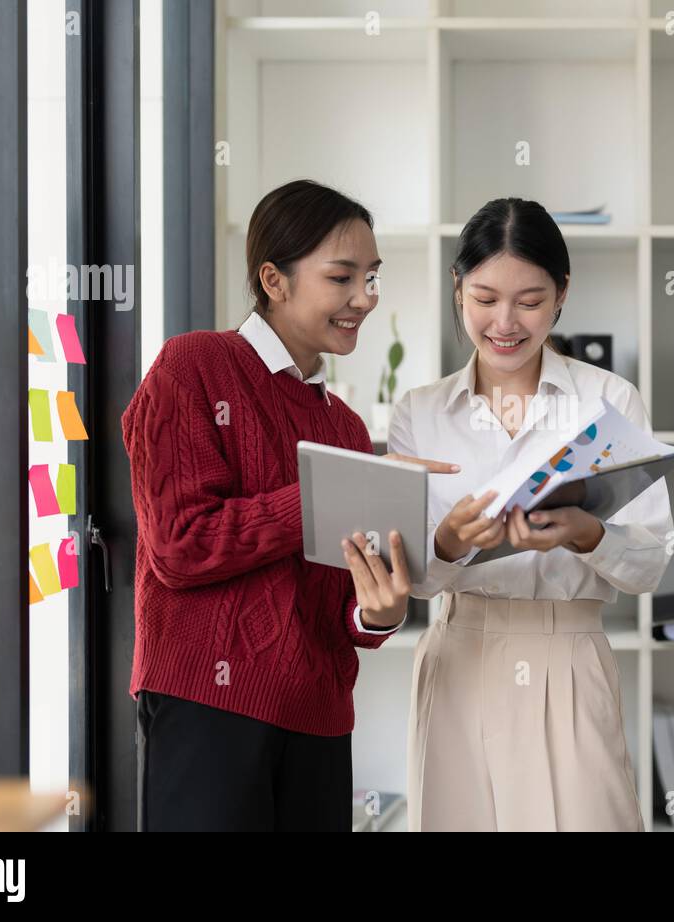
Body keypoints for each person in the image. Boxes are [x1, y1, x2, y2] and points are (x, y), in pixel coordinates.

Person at [122, 179, 449, 830]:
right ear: (274, 280)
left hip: (319, 721)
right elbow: (181, 546)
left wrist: (378, 614)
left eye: (372, 278)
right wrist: (330, 495)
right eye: (342, 277)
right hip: (208, 708)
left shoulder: (347, 429)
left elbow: (338, 611)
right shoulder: (193, 367)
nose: (365, 298)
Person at [386, 197, 674, 831]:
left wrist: (587, 533)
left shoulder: (608, 400)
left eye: (530, 300)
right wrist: (446, 540)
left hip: (568, 651)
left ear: (563, 293)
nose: (505, 322)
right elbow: (410, 575)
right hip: (457, 652)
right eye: (485, 298)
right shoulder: (420, 411)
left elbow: (652, 561)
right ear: (458, 288)